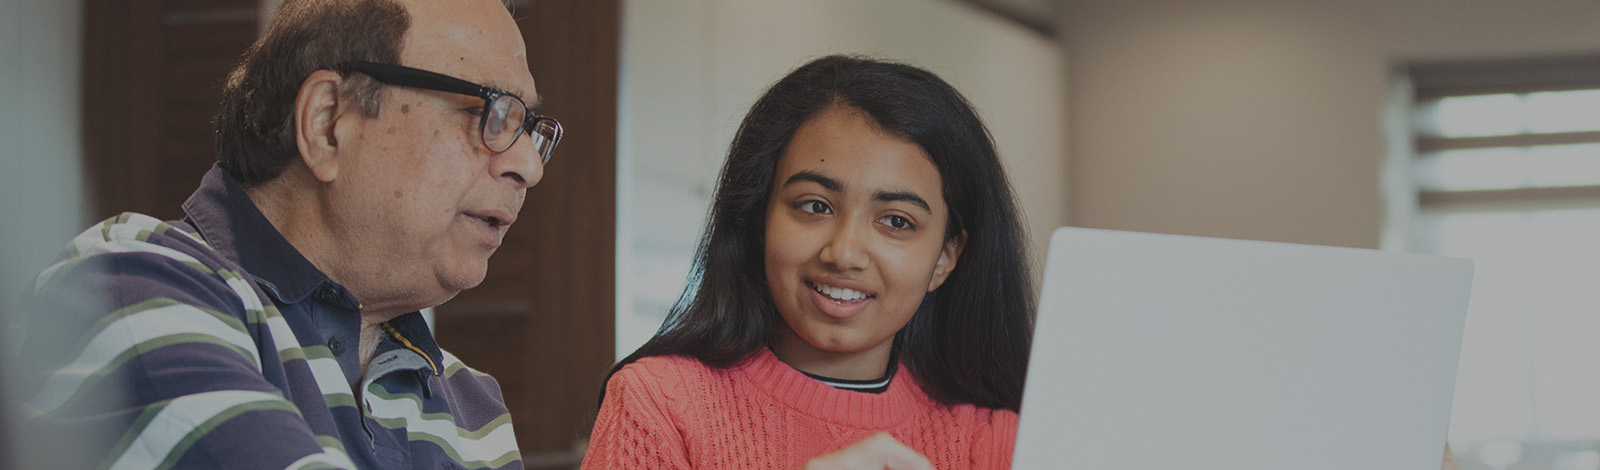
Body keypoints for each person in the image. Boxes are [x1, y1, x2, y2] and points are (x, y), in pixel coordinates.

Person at [11, 0, 556, 468]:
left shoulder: (470, 404)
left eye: (530, 129)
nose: (528, 166)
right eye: (493, 112)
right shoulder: (126, 287)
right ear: (327, 123)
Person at [581, 55, 1034, 469]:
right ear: (761, 218)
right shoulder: (658, 405)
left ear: (946, 256)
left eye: (896, 220)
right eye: (815, 206)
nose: (843, 253)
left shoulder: (998, 442)